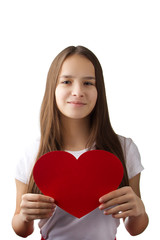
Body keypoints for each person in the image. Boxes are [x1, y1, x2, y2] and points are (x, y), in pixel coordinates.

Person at [12, 46, 149, 240]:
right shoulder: (32, 152)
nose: (78, 91)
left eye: (88, 83)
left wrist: (139, 211)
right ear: (53, 87)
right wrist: (24, 217)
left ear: (98, 90)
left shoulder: (124, 148)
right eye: (67, 81)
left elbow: (135, 228)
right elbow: (21, 229)